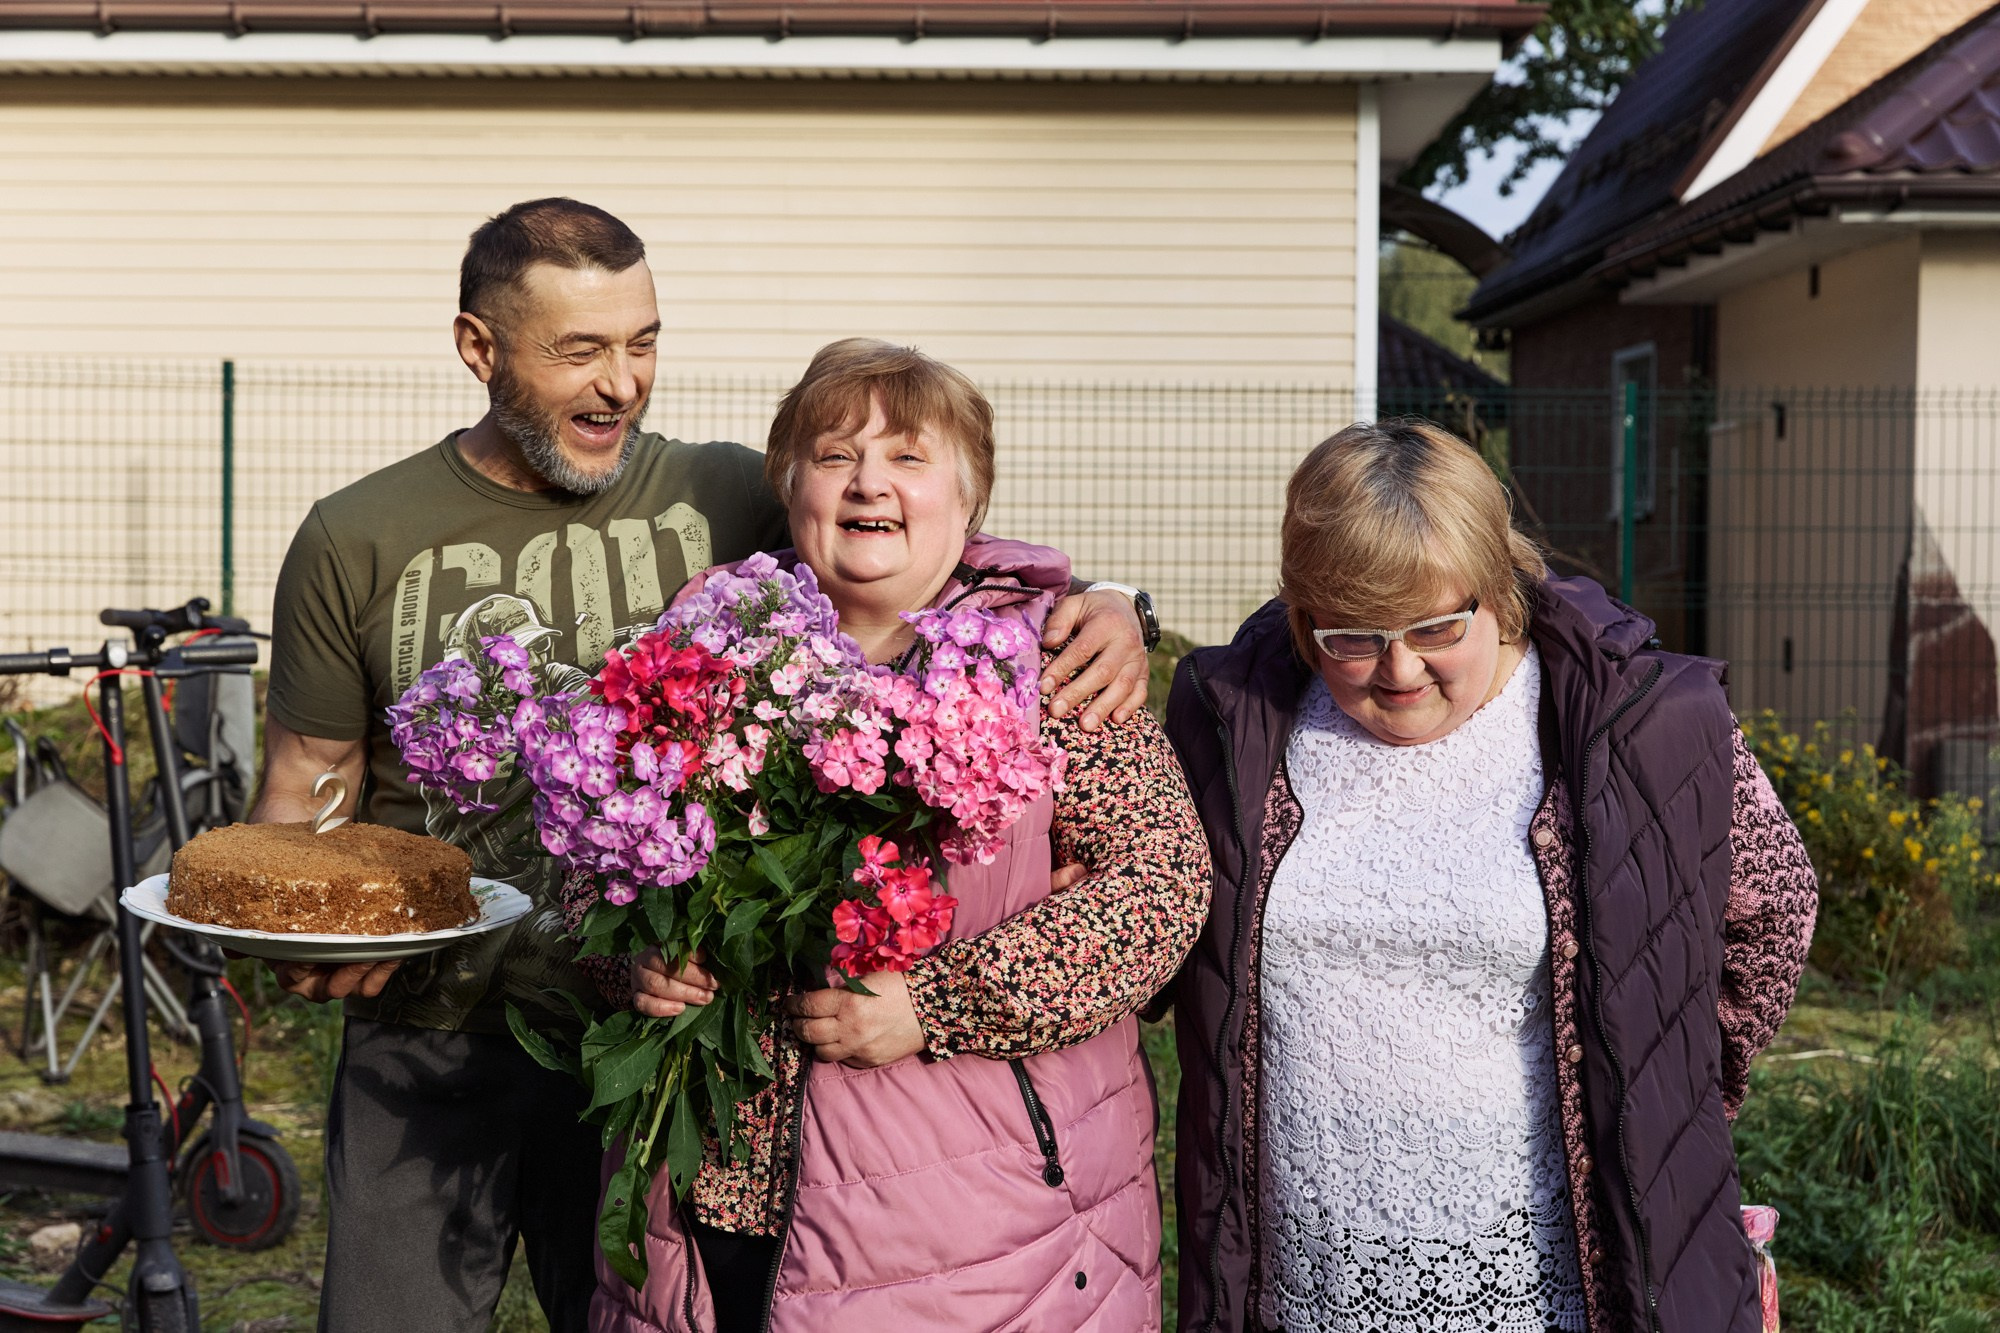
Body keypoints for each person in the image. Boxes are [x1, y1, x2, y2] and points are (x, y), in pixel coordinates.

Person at [251, 201, 1154, 1333]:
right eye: (578, 349)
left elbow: (916, 529)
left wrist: (1111, 603)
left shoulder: (722, 493)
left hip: (656, 1048)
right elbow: (307, 781)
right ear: (478, 346)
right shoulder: (359, 533)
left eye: (642, 342)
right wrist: (286, 928)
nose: (621, 382)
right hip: (438, 1032)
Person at [561, 338, 1211, 1332]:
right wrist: (636, 961)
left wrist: (937, 1003)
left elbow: (1157, 890)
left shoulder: (1054, 663)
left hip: (975, 1234)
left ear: (969, 497)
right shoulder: (704, 650)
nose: (869, 482)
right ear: (790, 487)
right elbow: (590, 867)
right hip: (699, 1217)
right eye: (833, 456)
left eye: (909, 456)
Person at [1162, 420, 1819, 1333]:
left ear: (1498, 588)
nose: (1398, 669)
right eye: (1353, 636)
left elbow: (1776, 908)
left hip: (1545, 1286)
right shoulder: (1239, 719)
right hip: (1301, 1284)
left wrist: (1667, 1095)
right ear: (1305, 617)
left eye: (1436, 627)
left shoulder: (1641, 724)